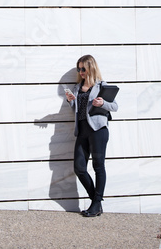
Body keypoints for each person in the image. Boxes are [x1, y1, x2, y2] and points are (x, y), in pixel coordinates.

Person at [65, 54, 118, 217]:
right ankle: (97, 201)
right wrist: (71, 100)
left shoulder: (101, 86)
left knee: (98, 166)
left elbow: (114, 106)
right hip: (82, 131)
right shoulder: (77, 87)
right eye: (78, 68)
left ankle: (96, 204)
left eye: (83, 68)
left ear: (91, 68)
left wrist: (103, 103)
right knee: (79, 168)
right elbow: (77, 109)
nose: (80, 72)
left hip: (98, 130)